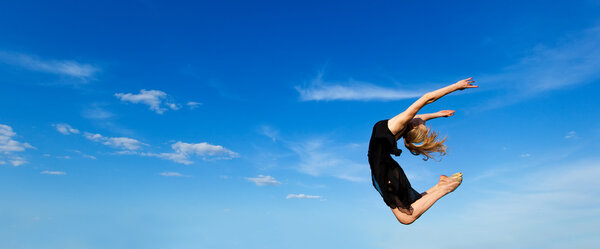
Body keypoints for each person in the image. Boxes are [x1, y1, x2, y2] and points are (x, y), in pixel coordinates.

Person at [368, 77, 478, 225]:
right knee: (407, 213)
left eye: (422, 122)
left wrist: (452, 92)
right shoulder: (400, 124)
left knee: (406, 218)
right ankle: (441, 186)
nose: (422, 119)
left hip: (384, 168)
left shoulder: (400, 123)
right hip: (383, 167)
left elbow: (425, 103)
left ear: (413, 125)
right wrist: (443, 106)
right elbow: (424, 108)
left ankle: (445, 187)